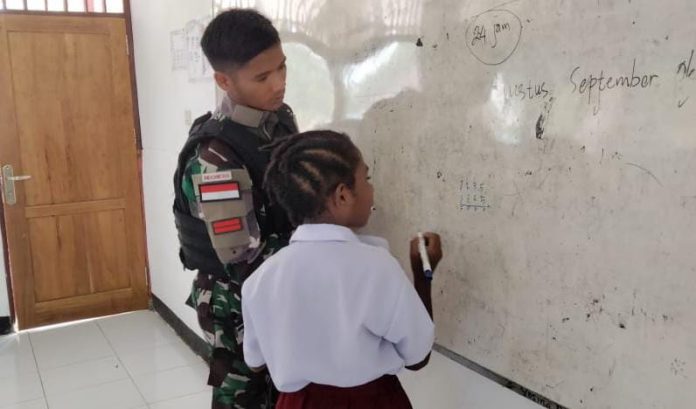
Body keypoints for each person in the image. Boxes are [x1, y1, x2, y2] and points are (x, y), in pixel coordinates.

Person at [241, 130, 443, 408]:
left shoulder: (262, 278)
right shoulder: (377, 268)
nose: (372, 190)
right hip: (372, 401)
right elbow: (418, 358)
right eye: (367, 179)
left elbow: (255, 363)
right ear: (343, 196)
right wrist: (423, 276)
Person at [172, 9, 297, 409]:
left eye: (282, 68)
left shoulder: (279, 119)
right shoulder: (215, 156)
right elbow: (242, 256)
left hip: (279, 287)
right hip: (235, 306)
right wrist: (323, 251)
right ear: (224, 81)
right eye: (263, 77)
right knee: (244, 398)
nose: (278, 84)